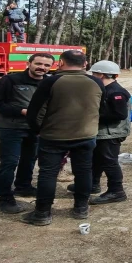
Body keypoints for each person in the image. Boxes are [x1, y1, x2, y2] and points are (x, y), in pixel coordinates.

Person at [22, 50, 103, 226]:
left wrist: (38, 130)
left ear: (60, 63)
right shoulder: (96, 82)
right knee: (83, 171)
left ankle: (42, 213)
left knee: (48, 173)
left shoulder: (51, 81)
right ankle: (81, 208)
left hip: (53, 136)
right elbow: (100, 108)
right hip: (86, 135)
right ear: (85, 64)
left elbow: (35, 111)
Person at [0, 53, 54, 214]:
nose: (42, 67)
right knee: (9, 161)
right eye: (38, 63)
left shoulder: (49, 83)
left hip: (36, 129)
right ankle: (4, 197)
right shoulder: (11, 80)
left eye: (46, 65)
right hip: (11, 127)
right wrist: (21, 111)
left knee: (30, 159)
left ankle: (23, 186)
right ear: (28, 63)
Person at [85, 60, 131, 205]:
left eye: (94, 74)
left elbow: (120, 114)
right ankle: (93, 184)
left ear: (101, 75)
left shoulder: (116, 92)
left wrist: (93, 116)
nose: (92, 76)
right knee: (97, 159)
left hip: (112, 133)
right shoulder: (107, 89)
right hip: (104, 132)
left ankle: (116, 191)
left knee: (109, 161)